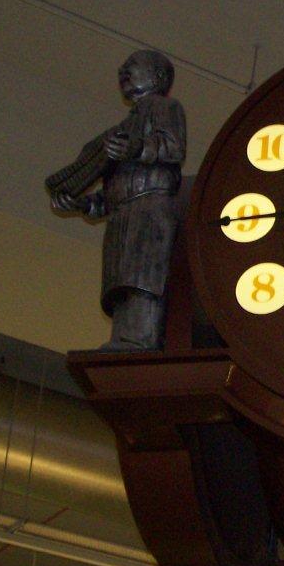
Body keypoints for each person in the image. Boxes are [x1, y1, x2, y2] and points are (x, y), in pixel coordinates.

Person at [48, 50, 186, 350]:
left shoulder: (163, 107)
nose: (123, 70)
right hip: (123, 211)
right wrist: (84, 204)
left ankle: (138, 340)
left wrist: (135, 148)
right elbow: (114, 189)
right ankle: (125, 338)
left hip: (148, 207)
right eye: (123, 67)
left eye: (132, 66)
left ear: (158, 77)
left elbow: (173, 148)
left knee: (141, 279)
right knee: (121, 281)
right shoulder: (124, 127)